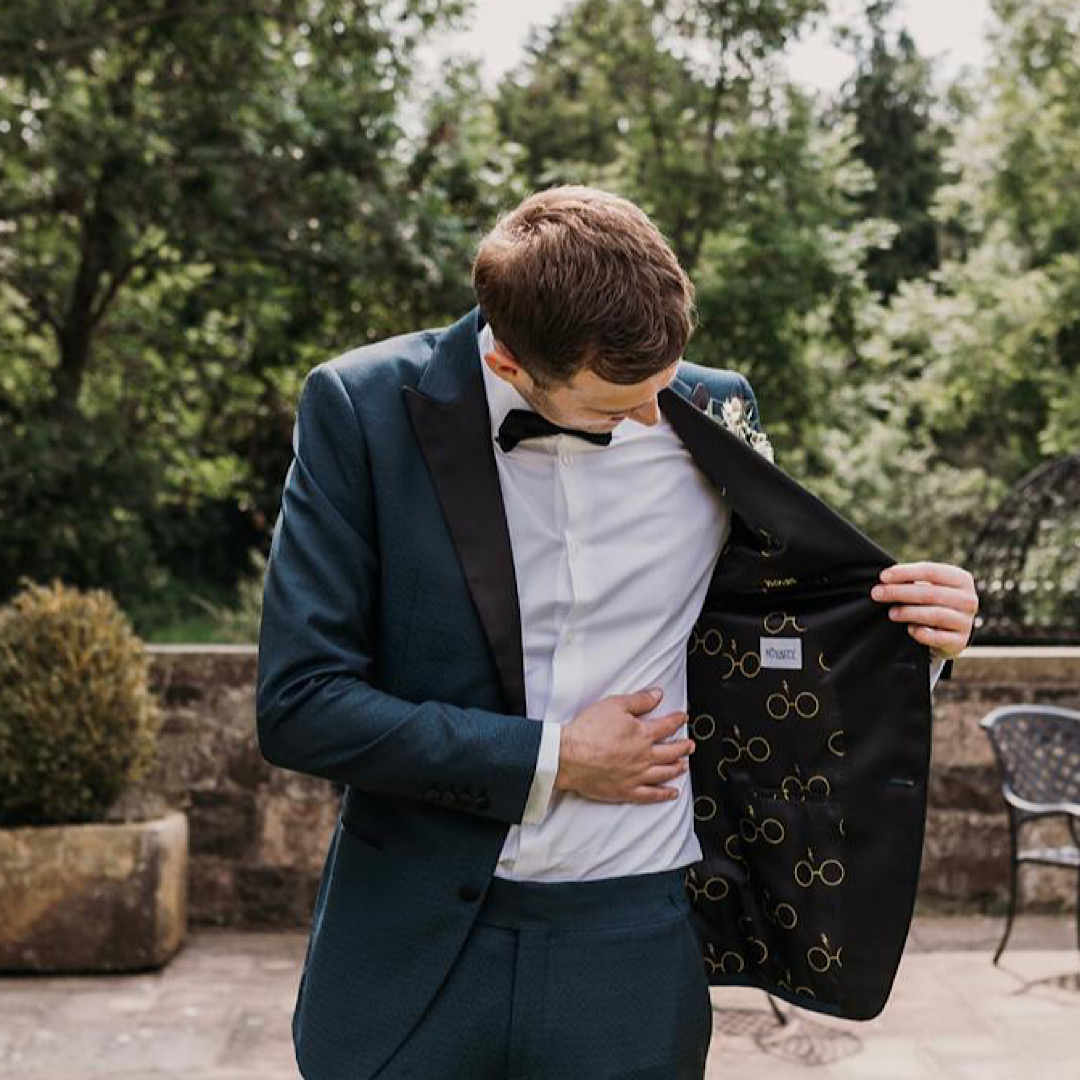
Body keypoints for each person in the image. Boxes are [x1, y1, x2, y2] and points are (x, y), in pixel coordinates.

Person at [256, 185, 977, 1080]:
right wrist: (554, 757)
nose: (648, 420)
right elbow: (301, 704)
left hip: (633, 948)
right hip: (418, 955)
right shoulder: (362, 409)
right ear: (512, 367)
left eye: (659, 390)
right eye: (613, 406)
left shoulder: (716, 410)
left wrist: (918, 645)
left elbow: (770, 636)